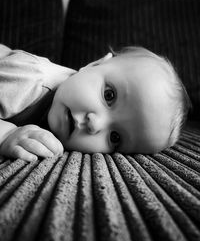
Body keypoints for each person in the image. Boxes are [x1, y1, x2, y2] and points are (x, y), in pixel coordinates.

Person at [0, 44, 191, 161]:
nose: (95, 124)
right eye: (109, 96)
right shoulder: (29, 79)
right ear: (94, 64)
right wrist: (7, 134)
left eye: (115, 138)